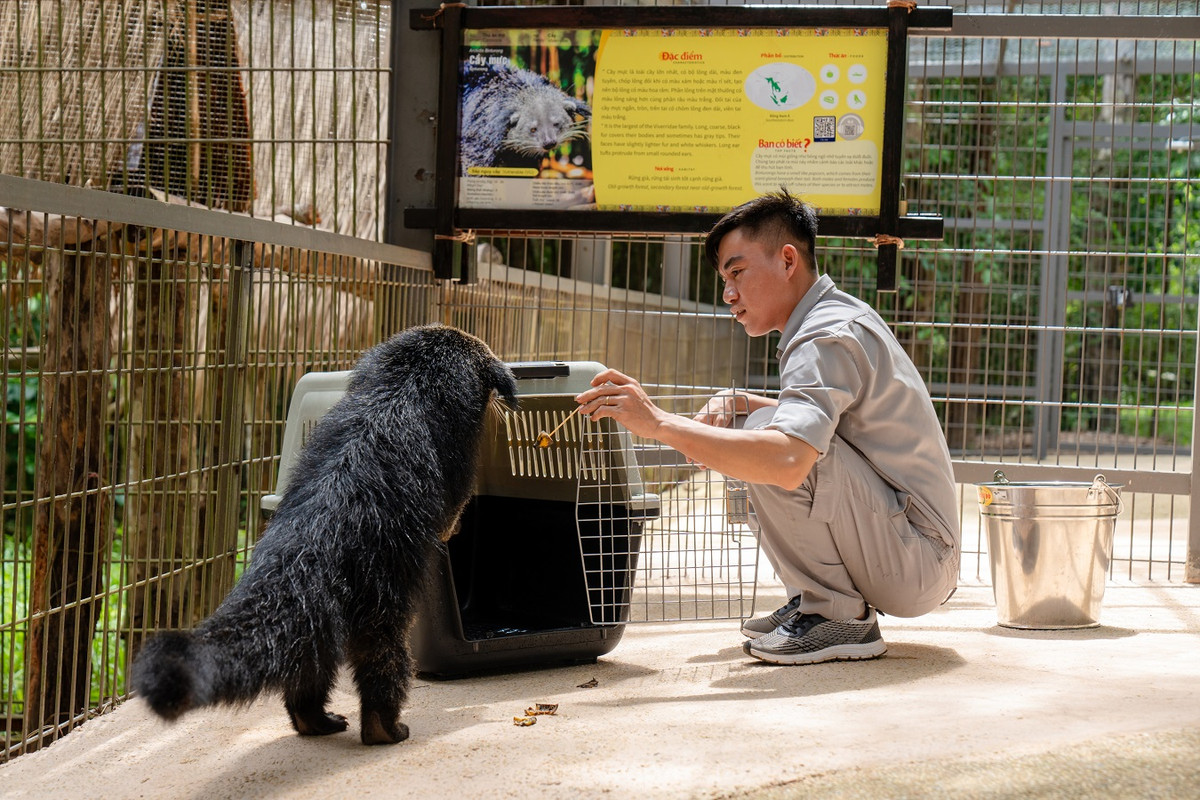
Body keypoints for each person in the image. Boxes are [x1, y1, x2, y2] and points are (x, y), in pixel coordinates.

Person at [574, 190, 960, 666]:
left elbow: (789, 458)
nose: (728, 293)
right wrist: (740, 401)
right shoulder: (829, 319)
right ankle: (819, 599)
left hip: (917, 561)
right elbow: (835, 421)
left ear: (788, 260)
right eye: (723, 280)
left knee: (769, 439)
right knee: (748, 420)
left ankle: (836, 614)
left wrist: (658, 423)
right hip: (913, 550)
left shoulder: (823, 336)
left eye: (737, 272)